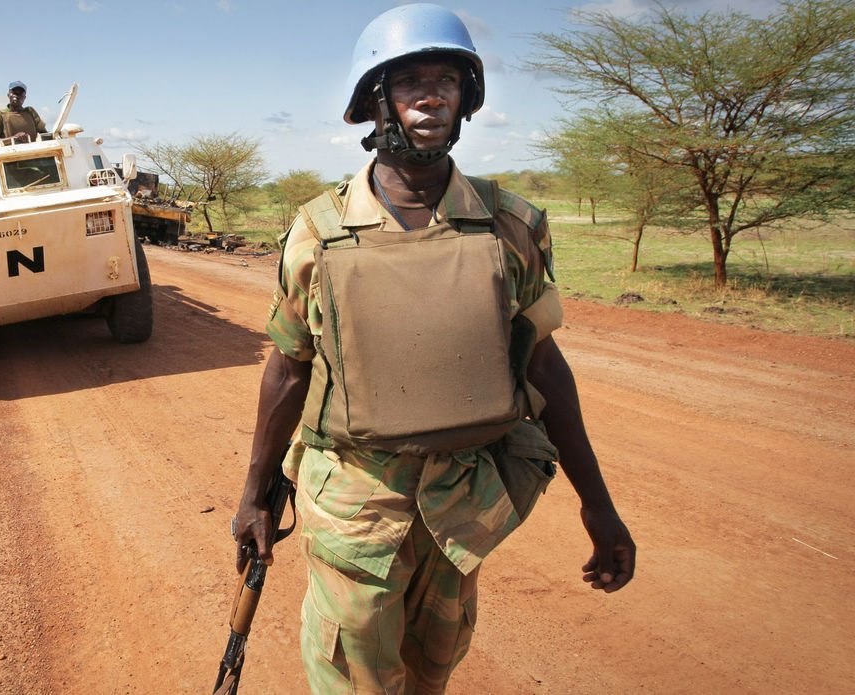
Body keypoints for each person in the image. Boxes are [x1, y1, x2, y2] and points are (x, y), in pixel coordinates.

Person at [231, 5, 636, 694]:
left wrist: (597, 504)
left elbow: (543, 365)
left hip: (462, 506)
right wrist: (255, 493)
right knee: (356, 678)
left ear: (467, 98)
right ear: (375, 102)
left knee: (432, 672)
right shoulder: (318, 233)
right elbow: (288, 366)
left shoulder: (510, 227)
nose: (431, 93)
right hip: (357, 506)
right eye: (410, 79)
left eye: (447, 78)